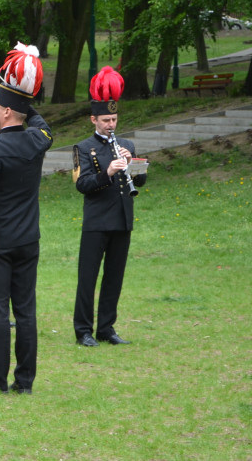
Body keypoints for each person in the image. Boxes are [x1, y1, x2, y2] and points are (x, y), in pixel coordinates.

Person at [0, 44, 51, 395]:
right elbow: (42, 124)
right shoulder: (37, 141)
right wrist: (23, 93)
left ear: (8, 113)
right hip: (28, 238)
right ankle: (25, 381)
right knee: (26, 312)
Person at [73, 67, 146, 347]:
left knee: (114, 277)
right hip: (96, 222)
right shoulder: (83, 148)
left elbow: (141, 179)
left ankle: (106, 327)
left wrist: (135, 164)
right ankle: (83, 330)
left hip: (122, 219)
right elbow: (83, 184)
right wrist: (109, 172)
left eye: (114, 119)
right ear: (94, 119)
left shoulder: (126, 144)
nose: (111, 124)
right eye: (106, 120)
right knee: (88, 278)